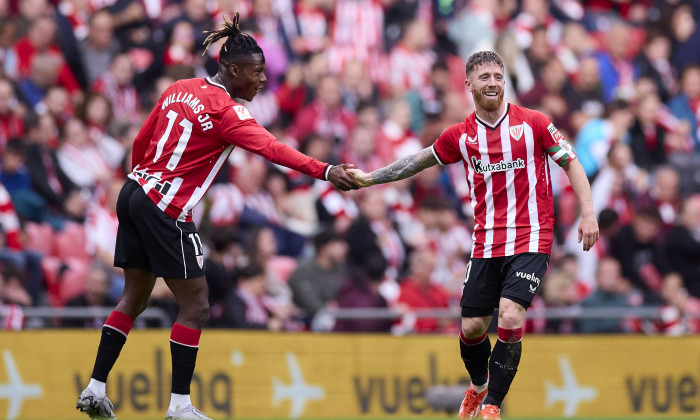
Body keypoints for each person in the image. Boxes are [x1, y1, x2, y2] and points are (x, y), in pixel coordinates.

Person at [75, 13, 360, 420]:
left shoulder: (178, 88)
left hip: (134, 191)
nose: (262, 80)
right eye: (257, 72)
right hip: (165, 207)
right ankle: (179, 406)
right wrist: (326, 170)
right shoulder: (228, 113)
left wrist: (140, 184)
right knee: (198, 305)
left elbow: (142, 140)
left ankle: (95, 387)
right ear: (231, 69)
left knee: (133, 296)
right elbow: (274, 150)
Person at [348, 50, 599, 419]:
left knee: (511, 316)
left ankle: (492, 405)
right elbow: (416, 161)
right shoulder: (461, 136)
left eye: (498, 76)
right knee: (471, 328)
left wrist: (587, 213)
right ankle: (479, 385)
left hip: (532, 237)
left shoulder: (535, 123)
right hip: (487, 242)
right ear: (468, 85)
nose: (493, 83)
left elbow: (571, 162)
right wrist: (370, 178)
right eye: (484, 78)